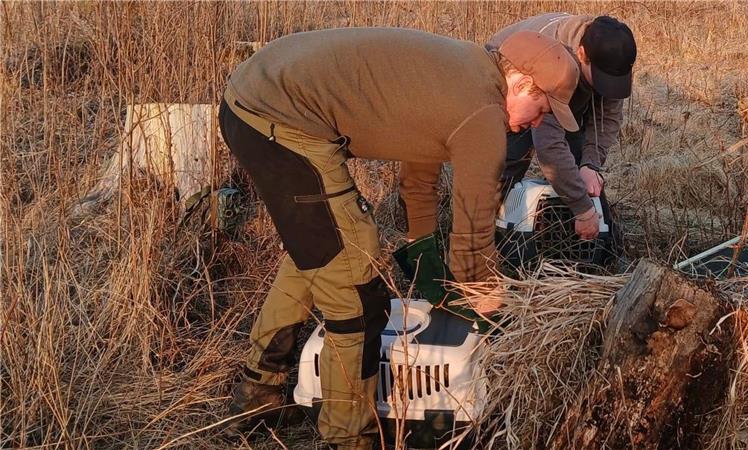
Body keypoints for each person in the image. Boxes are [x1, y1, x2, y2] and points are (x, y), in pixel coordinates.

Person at [218, 27, 579, 449]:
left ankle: (257, 393)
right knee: (355, 289)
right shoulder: (483, 117)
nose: (537, 123)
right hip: (281, 119)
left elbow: (419, 171)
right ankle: (348, 436)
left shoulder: (462, 70)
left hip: (251, 98)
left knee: (321, 254)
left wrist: (421, 245)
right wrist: (487, 298)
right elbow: (473, 237)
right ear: (520, 83)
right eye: (541, 108)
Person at [487, 13, 637, 240]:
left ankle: (569, 244)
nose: (606, 87)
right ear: (582, 54)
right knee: (505, 163)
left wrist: (590, 164)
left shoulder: (611, 58)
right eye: (600, 78)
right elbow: (549, 145)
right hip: (513, 96)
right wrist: (582, 208)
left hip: (563, 102)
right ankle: (485, 236)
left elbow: (607, 118)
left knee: (581, 179)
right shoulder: (554, 61)